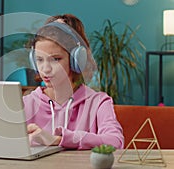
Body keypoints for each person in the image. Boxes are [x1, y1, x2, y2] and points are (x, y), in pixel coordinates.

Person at [23, 14, 124, 150]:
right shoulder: (26, 103)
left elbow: (115, 141)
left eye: (55, 59)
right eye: (40, 60)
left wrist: (58, 140)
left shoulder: (98, 102)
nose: (45, 69)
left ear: (76, 61)